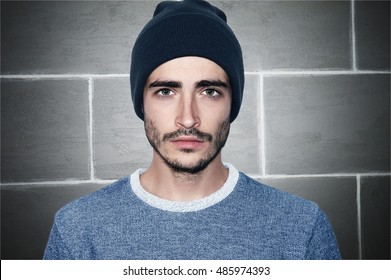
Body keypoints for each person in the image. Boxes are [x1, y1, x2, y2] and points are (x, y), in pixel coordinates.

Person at [44, 0, 341, 260]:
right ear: (141, 103)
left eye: (209, 92)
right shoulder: (78, 230)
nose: (188, 119)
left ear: (232, 103)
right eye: (165, 92)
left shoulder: (301, 227)